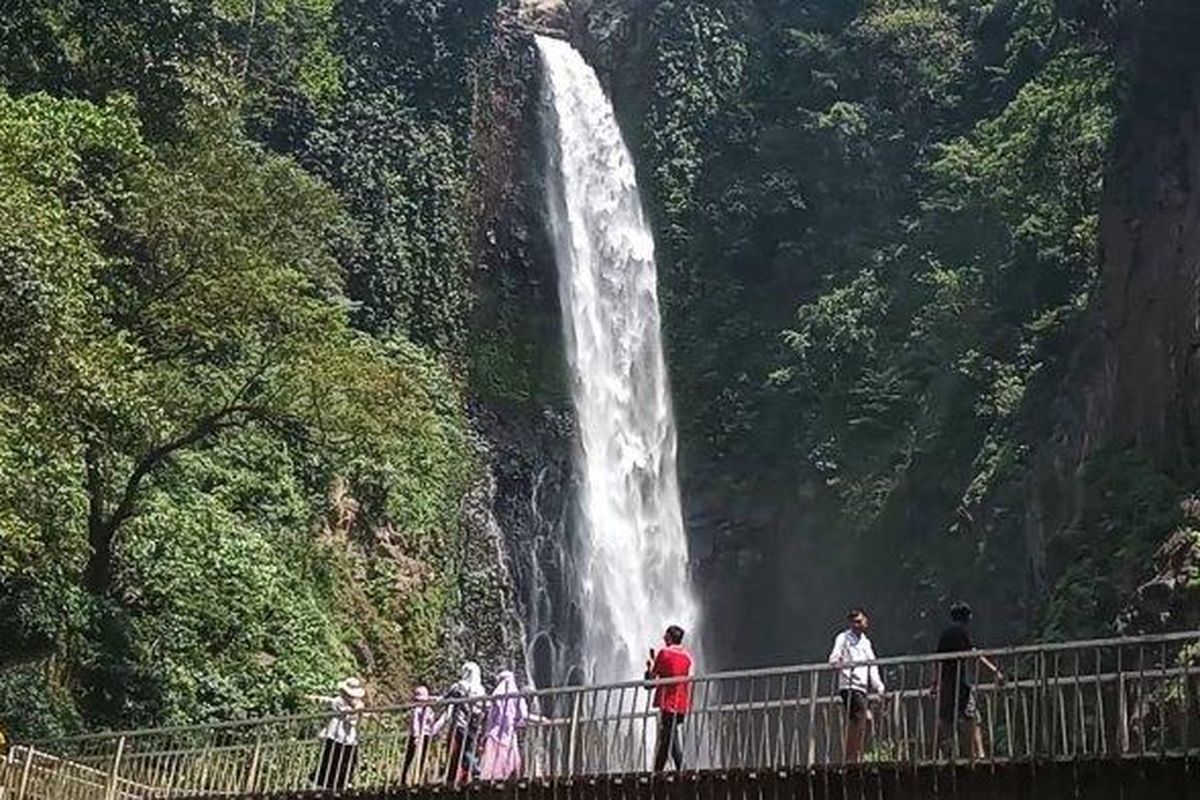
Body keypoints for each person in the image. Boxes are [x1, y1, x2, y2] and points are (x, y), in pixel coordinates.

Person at [933, 602, 1004, 760]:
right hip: (961, 682)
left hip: (947, 683)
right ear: (967, 617)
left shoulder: (945, 634)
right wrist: (995, 672)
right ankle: (978, 754)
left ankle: (944, 752)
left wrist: (934, 683)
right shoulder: (961, 632)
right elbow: (975, 654)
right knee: (971, 717)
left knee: (945, 719)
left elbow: (937, 660)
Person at [828, 609, 885, 763]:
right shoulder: (843, 638)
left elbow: (872, 666)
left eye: (859, 621)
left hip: (862, 688)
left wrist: (879, 687)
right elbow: (833, 659)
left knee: (857, 722)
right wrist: (845, 669)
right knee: (865, 718)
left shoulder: (866, 642)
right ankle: (852, 757)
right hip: (848, 686)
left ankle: (852, 757)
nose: (857, 625)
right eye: (854, 622)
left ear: (866, 621)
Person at [644, 624, 693, 772]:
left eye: (666, 635)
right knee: (669, 738)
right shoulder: (687, 657)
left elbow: (651, 682)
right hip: (681, 703)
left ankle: (678, 770)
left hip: (668, 702)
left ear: (670, 638)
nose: (663, 638)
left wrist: (649, 668)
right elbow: (675, 673)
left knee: (669, 739)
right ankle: (660, 770)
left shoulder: (664, 653)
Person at [478, 669, 542, 781]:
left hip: (494, 735)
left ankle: (491, 782)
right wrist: (540, 719)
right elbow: (524, 716)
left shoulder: (496, 696)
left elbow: (490, 718)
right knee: (510, 763)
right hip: (508, 735)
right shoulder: (516, 696)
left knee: (493, 765)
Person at [309, 676, 366, 791]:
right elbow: (349, 716)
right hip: (336, 735)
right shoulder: (339, 702)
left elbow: (356, 717)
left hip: (349, 737)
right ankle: (327, 784)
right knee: (331, 760)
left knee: (349, 760)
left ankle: (343, 782)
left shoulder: (357, 703)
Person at [439, 661, 486, 786]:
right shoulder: (480, 689)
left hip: (459, 724)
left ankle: (457, 777)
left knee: (455, 752)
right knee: (470, 750)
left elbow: (445, 699)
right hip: (474, 725)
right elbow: (483, 707)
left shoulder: (458, 686)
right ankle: (468, 776)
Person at [402, 686, 438, 786]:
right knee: (411, 756)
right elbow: (415, 724)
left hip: (426, 735)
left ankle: (422, 777)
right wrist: (416, 736)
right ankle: (406, 778)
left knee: (424, 756)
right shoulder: (416, 710)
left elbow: (431, 722)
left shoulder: (429, 710)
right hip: (416, 735)